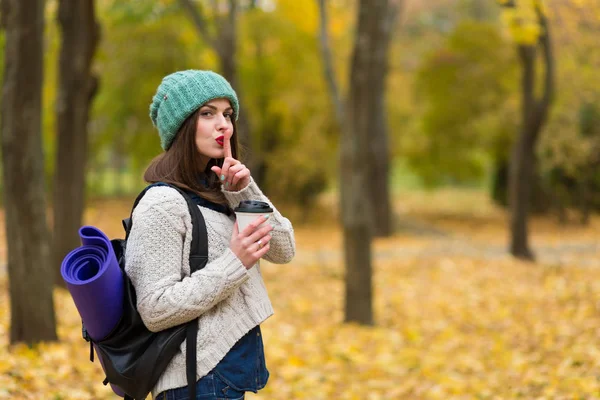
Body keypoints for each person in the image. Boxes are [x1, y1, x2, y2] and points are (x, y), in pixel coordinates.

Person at [125, 70, 296, 400]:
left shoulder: (221, 192)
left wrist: (245, 192)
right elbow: (155, 308)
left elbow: (283, 249)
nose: (224, 125)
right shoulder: (162, 204)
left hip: (227, 376)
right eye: (208, 114)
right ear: (182, 126)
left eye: (228, 114)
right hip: (196, 380)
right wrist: (235, 262)